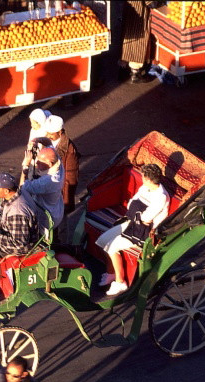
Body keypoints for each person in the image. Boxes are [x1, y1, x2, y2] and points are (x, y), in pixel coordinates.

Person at [96, 164, 169, 296]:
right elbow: (131, 205)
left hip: (143, 232)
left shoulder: (161, 196)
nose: (141, 179)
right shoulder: (145, 188)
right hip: (132, 222)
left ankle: (120, 282)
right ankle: (111, 273)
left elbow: (146, 218)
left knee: (111, 247)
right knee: (102, 241)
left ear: (148, 179)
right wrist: (138, 211)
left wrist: (138, 211)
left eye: (143, 177)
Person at [20, 147, 64, 233]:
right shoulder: (58, 162)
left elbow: (22, 188)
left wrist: (25, 166)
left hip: (46, 220)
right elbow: (49, 145)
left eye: (40, 162)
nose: (36, 163)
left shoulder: (49, 181)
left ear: (50, 164)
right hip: (57, 211)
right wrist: (38, 140)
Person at [44, 115, 79, 215]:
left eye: (50, 133)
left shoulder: (70, 150)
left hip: (59, 195)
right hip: (49, 191)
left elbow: (71, 178)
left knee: (61, 226)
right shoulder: (47, 143)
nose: (47, 135)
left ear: (60, 132)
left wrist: (66, 203)